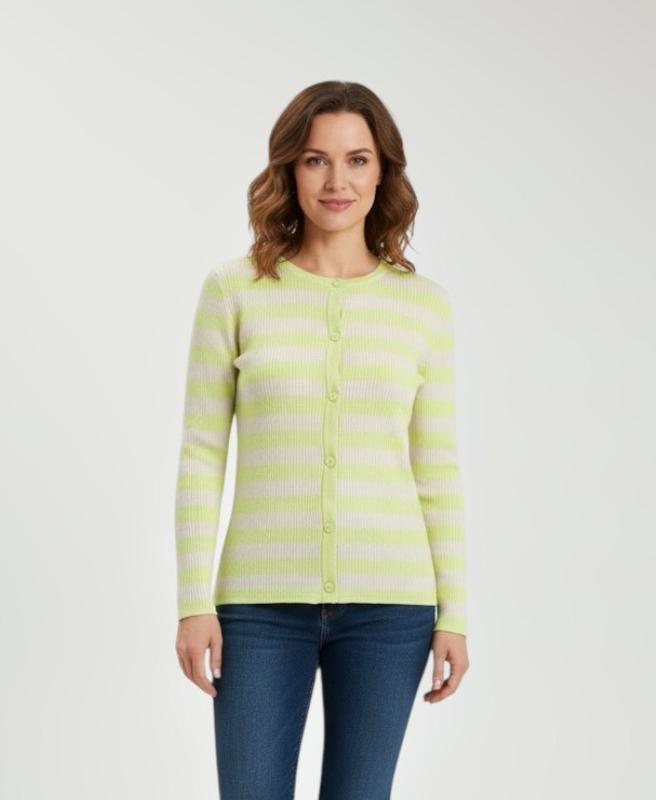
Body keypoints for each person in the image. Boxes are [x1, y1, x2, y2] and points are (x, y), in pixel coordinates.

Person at [174, 80, 470, 799]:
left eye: (357, 160)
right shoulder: (234, 291)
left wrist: (455, 613)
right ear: (289, 169)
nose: (337, 181)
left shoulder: (423, 306)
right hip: (257, 609)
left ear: (383, 172)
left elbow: (437, 471)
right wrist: (192, 601)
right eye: (316, 160)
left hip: (391, 609)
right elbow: (202, 455)